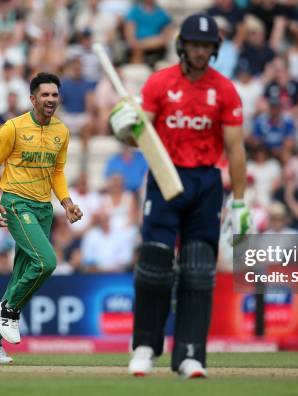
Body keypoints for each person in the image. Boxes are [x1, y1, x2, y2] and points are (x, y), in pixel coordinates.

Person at [109, 14, 252, 378]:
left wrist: (239, 201)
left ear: (215, 50)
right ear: (182, 46)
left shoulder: (224, 89)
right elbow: (138, 135)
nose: (200, 51)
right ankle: (144, 346)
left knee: (198, 272)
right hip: (164, 176)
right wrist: (123, 127)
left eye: (207, 45)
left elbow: (235, 150)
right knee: (154, 266)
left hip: (205, 184)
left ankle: (190, 354)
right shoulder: (161, 82)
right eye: (195, 44)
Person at [0, 73, 83, 364]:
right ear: (32, 99)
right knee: (47, 262)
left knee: (21, 275)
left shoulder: (62, 131)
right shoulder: (13, 127)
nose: (50, 100)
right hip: (16, 203)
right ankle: (9, 309)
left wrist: (67, 201)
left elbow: (57, 172)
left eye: (54, 95)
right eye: (45, 95)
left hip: (44, 209)